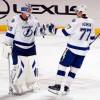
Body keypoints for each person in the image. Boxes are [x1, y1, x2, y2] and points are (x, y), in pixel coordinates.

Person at [48, 5, 96, 95]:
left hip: (72, 49)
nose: (76, 12)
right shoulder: (92, 22)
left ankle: (57, 86)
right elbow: (92, 37)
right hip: (83, 51)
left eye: (77, 11)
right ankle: (66, 88)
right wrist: (86, 44)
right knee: (74, 70)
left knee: (62, 66)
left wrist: (53, 30)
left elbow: (65, 32)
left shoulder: (76, 21)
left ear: (81, 12)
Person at [3, 4, 40, 95]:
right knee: (17, 67)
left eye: (29, 11)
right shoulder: (15, 20)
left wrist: (41, 30)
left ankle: (31, 84)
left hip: (31, 47)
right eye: (26, 12)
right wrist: (7, 44)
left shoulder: (34, 20)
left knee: (33, 66)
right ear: (22, 12)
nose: (28, 14)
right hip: (18, 48)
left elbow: (37, 33)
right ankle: (12, 86)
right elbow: (10, 34)